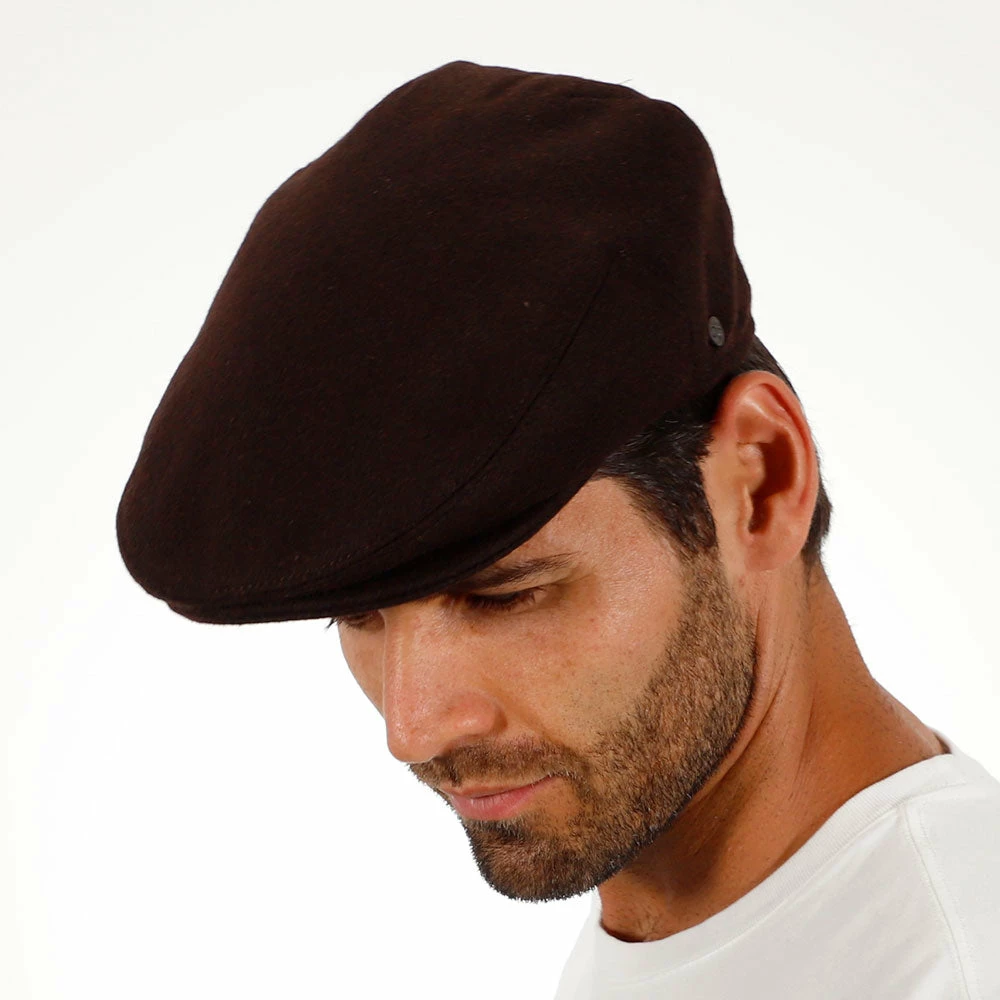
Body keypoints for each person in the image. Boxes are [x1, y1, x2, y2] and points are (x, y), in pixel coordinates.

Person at [116, 60, 1000, 998]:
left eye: (505, 595)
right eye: (359, 615)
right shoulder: (709, 915)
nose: (412, 729)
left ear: (758, 482)